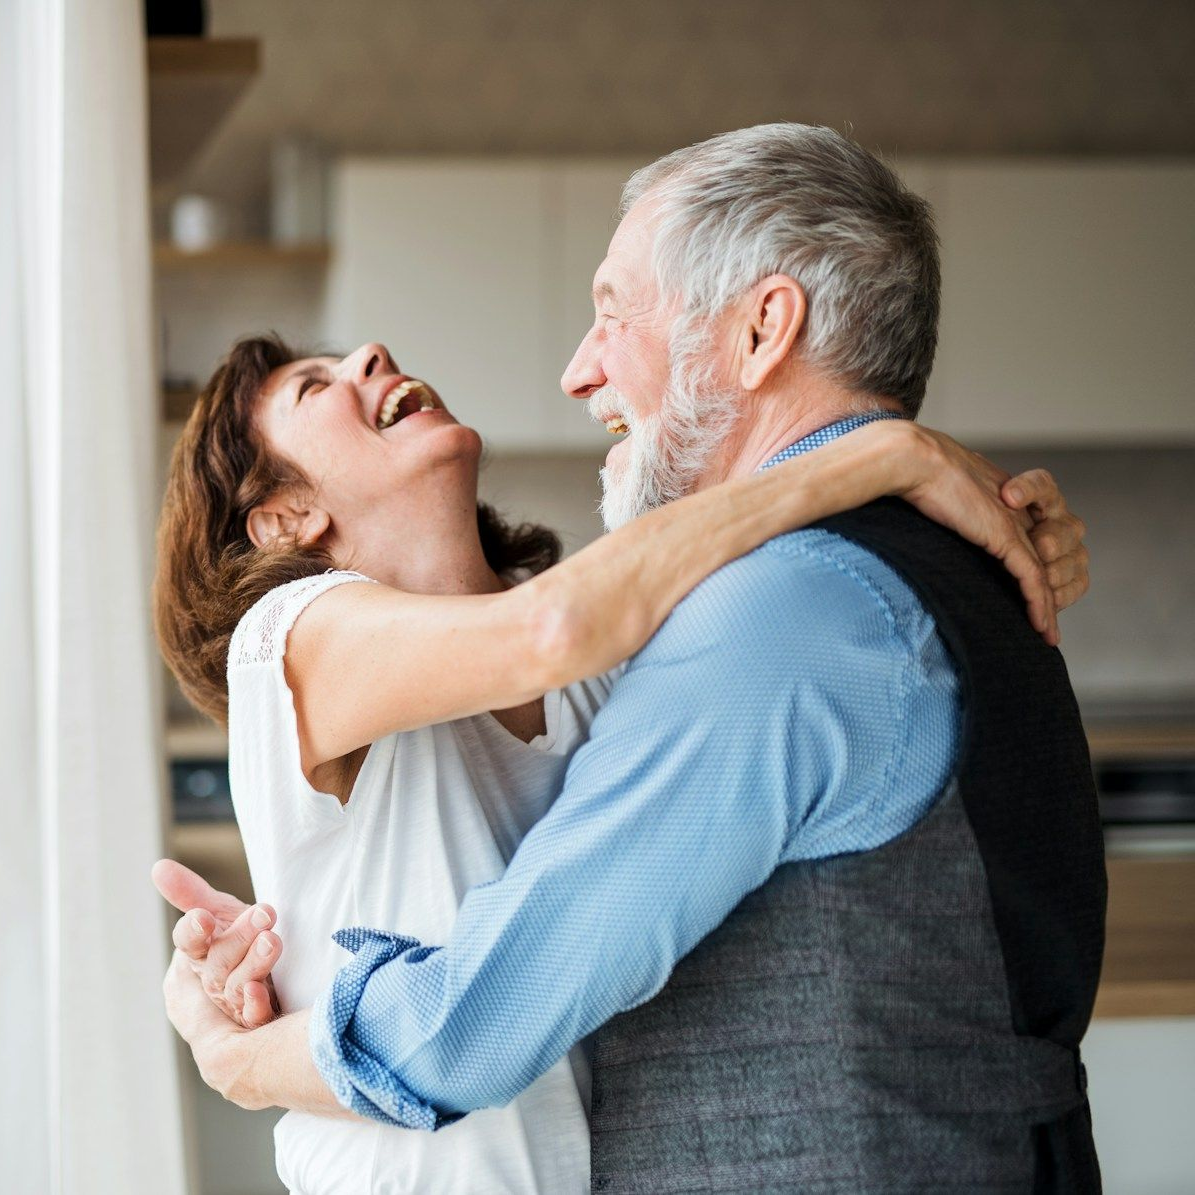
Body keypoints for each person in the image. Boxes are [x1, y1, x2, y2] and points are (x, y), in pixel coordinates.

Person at [157, 124, 1098, 1193]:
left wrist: (247, 1054)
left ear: (759, 332)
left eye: (612, 314)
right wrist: (879, 452)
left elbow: (480, 1013)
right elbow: (559, 627)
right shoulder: (300, 634)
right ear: (281, 515)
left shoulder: (743, 618)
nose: (576, 368)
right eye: (315, 384)